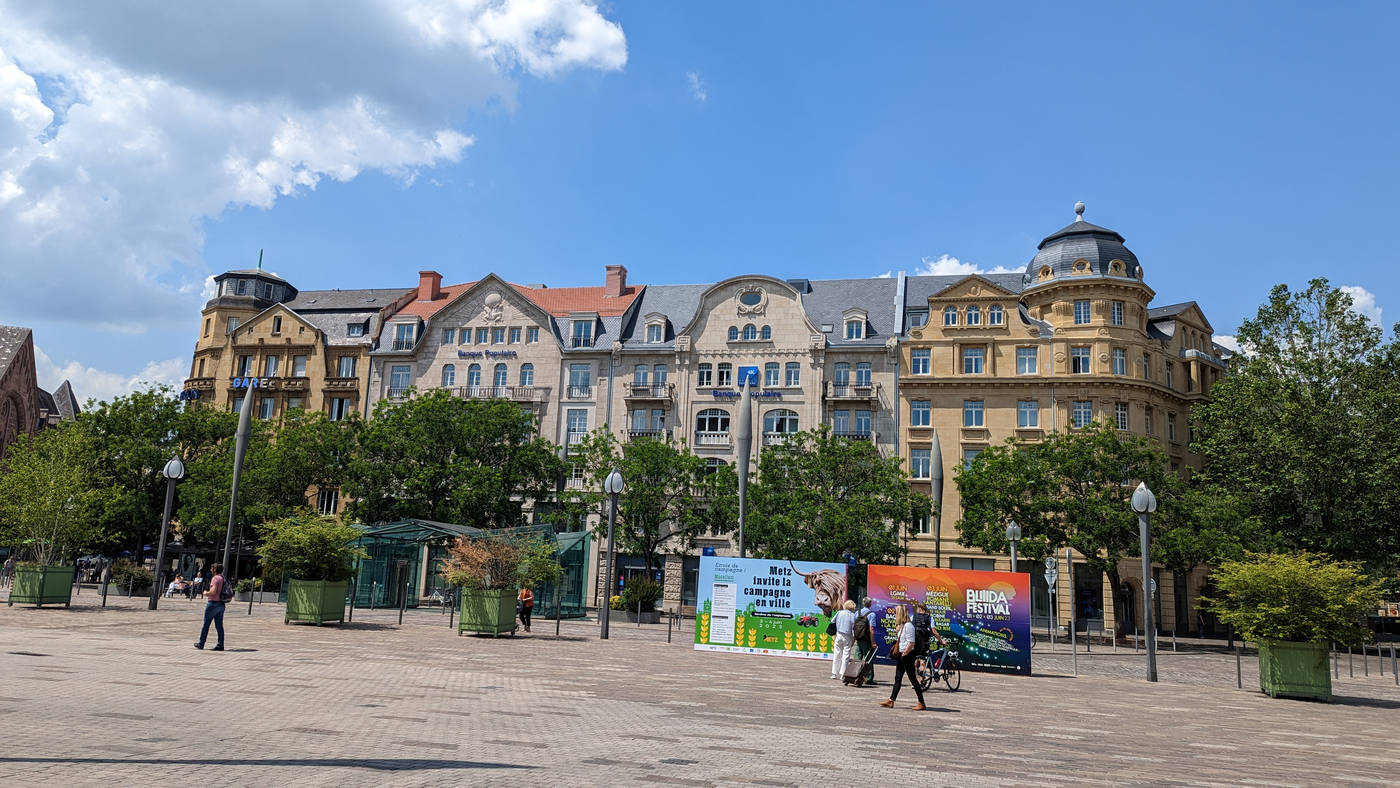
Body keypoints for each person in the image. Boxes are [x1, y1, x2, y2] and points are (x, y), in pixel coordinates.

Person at [879, 605, 926, 711]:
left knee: (913, 679)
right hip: (902, 654)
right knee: (898, 678)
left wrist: (905, 653)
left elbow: (911, 642)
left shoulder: (909, 626)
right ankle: (891, 700)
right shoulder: (903, 625)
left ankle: (921, 702)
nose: (895, 614)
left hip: (907, 655)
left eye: (896, 613)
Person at [194, 563, 227, 651]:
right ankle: (221, 644)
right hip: (221, 604)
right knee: (219, 625)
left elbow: (213, 591)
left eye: (212, 568)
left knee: (206, 624)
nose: (211, 570)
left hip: (213, 603)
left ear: (214, 570)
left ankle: (201, 643)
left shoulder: (215, 578)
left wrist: (205, 593)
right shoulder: (223, 578)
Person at [830, 599, 857, 680]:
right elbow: (853, 628)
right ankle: (842, 674)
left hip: (838, 635)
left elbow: (832, 621)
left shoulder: (839, 612)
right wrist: (854, 638)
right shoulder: (853, 615)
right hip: (847, 636)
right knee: (846, 656)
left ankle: (834, 673)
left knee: (837, 654)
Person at [855, 597, 878, 685]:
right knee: (868, 658)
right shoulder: (871, 614)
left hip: (859, 638)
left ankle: (855, 675)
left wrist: (854, 638)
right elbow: (871, 629)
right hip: (866, 639)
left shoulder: (857, 612)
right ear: (870, 604)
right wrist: (873, 642)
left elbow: (855, 626)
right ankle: (868, 678)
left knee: (857, 658)